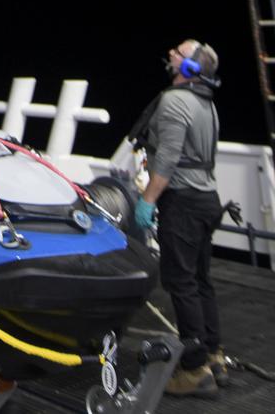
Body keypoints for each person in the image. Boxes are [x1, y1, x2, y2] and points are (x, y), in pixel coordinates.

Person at [131, 38, 225, 395]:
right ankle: (214, 355)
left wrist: (148, 200)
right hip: (207, 200)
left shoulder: (174, 101)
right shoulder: (206, 102)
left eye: (179, 53)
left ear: (190, 68)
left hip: (183, 204)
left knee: (181, 284)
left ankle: (194, 370)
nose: (171, 53)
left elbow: (168, 159)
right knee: (200, 280)